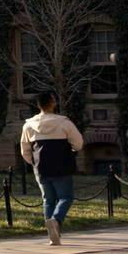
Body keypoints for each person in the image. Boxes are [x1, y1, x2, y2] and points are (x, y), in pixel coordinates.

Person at [20, 91, 85, 245]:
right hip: (61, 164)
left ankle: (52, 235)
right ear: (53, 103)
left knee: (48, 200)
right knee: (66, 197)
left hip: (41, 166)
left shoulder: (29, 125)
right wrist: (73, 150)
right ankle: (56, 220)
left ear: (38, 105)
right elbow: (78, 142)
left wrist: (33, 163)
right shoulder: (64, 123)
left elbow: (24, 149)